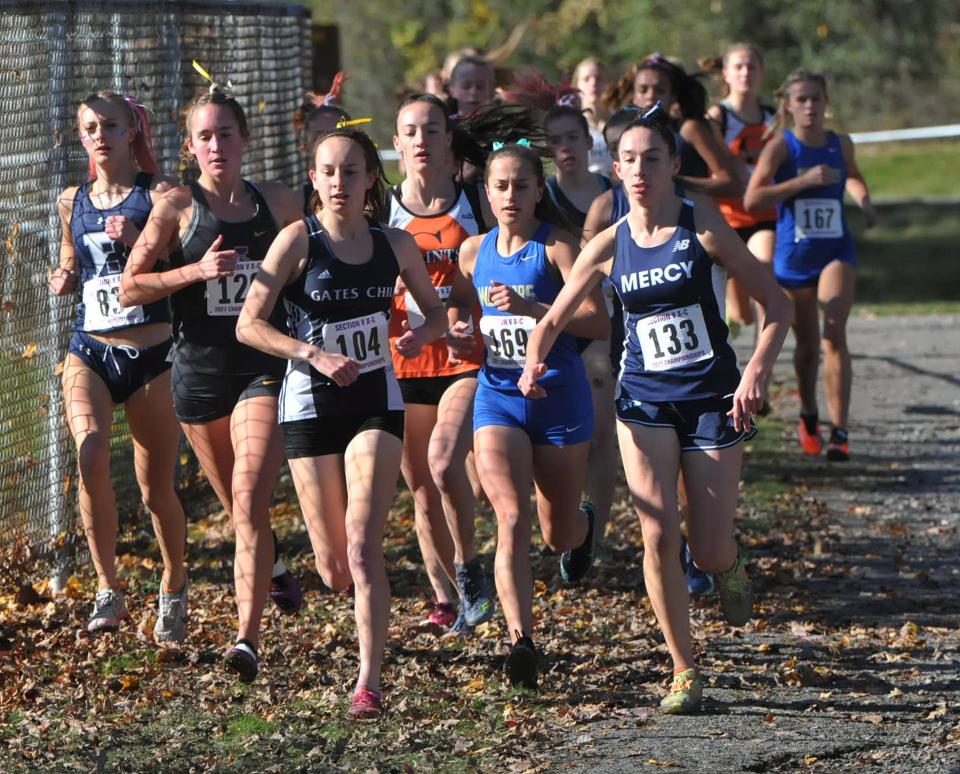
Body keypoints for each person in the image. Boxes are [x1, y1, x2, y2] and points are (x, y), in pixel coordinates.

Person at [519, 105, 792, 713]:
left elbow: (777, 306)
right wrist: (535, 361)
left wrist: (755, 370)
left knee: (707, 550)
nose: (640, 170)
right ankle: (684, 669)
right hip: (642, 400)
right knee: (656, 531)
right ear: (615, 169)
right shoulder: (609, 243)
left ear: (672, 166)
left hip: (713, 400)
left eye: (652, 159)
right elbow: (555, 316)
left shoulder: (704, 229)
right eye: (630, 160)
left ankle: (730, 563)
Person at [237, 127, 447, 719]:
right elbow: (248, 324)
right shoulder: (295, 243)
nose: (339, 183)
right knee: (333, 570)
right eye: (328, 172)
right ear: (313, 181)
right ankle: (343, 607)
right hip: (309, 405)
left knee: (361, 546)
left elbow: (435, 313)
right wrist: (312, 354)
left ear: (369, 180)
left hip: (376, 402)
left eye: (350, 172)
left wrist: (417, 334)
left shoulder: (396, 244)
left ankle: (368, 683)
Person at [120, 83, 304, 682]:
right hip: (198, 375)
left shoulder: (275, 202)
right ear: (190, 146)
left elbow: (317, 258)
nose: (217, 145)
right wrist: (194, 270)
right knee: (236, 506)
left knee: (249, 499)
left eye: (227, 133)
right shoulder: (176, 206)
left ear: (245, 139)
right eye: (205, 136)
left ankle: (245, 638)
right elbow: (130, 286)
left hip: (260, 370)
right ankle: (272, 568)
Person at [458, 141, 610, 690]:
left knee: (556, 534)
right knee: (510, 518)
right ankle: (521, 640)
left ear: (538, 190)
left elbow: (597, 322)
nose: (510, 196)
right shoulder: (472, 251)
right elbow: (467, 311)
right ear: (486, 192)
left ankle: (584, 526)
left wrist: (532, 310)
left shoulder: (558, 249)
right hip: (497, 394)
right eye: (500, 186)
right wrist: (458, 331)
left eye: (522, 185)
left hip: (559, 399)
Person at [50, 91, 187, 641]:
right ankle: (108, 586)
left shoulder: (162, 195)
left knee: (155, 488)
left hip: (152, 357)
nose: (99, 135)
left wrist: (140, 243)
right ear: (81, 137)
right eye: (89, 127)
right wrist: (60, 279)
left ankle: (173, 583)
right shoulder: (70, 201)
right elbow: (70, 262)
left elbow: (185, 265)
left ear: (133, 130)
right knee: (90, 454)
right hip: (90, 348)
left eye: (110, 125)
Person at [389, 93, 496, 633]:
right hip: (403, 363)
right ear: (397, 143)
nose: (421, 141)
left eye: (432, 130)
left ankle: (469, 565)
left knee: (443, 459)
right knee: (422, 490)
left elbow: (505, 265)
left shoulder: (476, 201)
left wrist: (469, 311)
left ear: (448, 140)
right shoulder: (379, 207)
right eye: (411, 131)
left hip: (463, 358)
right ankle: (445, 600)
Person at [745, 69, 877, 461]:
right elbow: (753, 199)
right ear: (788, 104)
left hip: (835, 249)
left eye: (816, 99)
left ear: (825, 102)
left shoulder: (841, 144)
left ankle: (840, 432)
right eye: (801, 99)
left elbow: (854, 177)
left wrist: (865, 202)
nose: (809, 106)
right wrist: (800, 183)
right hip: (794, 256)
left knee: (834, 332)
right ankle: (808, 414)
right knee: (806, 347)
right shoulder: (781, 147)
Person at [543, 104, 618, 544]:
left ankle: (595, 535)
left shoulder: (617, 192)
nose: (565, 147)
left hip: (610, 322)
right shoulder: (539, 196)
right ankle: (565, 522)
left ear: (589, 143)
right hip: (557, 324)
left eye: (572, 137)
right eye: (555, 141)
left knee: (600, 433)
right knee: (564, 438)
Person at [703, 44, 777, 353]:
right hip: (724, 219)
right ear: (726, 73)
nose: (746, 73)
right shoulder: (717, 116)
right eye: (739, 67)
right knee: (741, 313)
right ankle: (737, 312)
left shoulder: (773, 117)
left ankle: (763, 370)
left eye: (752, 66)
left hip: (763, 216)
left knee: (765, 269)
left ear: (761, 72)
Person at [605, 54, 742, 199]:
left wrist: (673, 181)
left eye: (660, 90)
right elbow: (618, 183)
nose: (650, 96)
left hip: (687, 217)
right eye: (643, 90)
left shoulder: (688, 129)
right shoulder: (624, 134)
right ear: (633, 96)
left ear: (673, 96)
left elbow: (732, 185)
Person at [291, 73, 352, 215]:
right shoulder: (294, 204)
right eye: (319, 136)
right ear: (305, 145)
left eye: (336, 133)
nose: (328, 143)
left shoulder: (366, 198)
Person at [571, 57, 612, 175]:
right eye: (586, 79)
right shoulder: (572, 126)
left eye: (599, 79)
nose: (593, 83)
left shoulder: (621, 122)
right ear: (576, 87)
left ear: (608, 84)